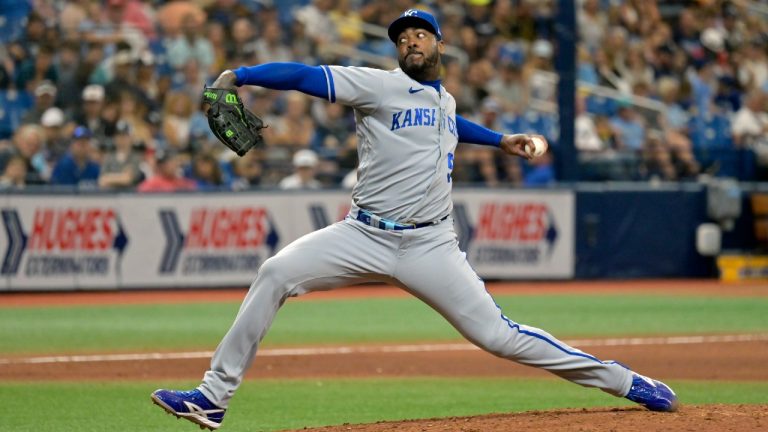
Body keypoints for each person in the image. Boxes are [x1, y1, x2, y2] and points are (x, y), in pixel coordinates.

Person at [151, 10, 678, 431]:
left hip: (431, 248)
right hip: (362, 234)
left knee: (499, 336)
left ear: (439, 45)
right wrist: (239, 75)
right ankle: (212, 398)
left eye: (420, 34)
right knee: (275, 273)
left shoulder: (444, 100)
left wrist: (498, 140)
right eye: (403, 38)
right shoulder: (377, 86)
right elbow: (306, 77)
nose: (410, 43)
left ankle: (625, 381)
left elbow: (449, 121)